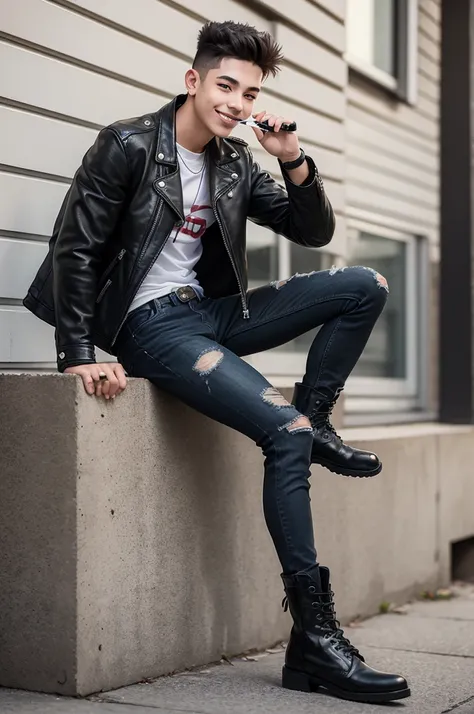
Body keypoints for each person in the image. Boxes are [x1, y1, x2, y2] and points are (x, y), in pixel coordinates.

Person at [24, 20, 410, 703]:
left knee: (364, 285)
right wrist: (76, 355)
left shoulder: (235, 162)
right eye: (225, 84)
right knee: (279, 433)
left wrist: (292, 156)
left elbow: (312, 231)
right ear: (193, 80)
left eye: (250, 91)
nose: (236, 101)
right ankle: (315, 639)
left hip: (210, 315)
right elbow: (75, 250)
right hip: (150, 327)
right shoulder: (128, 143)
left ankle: (316, 420)